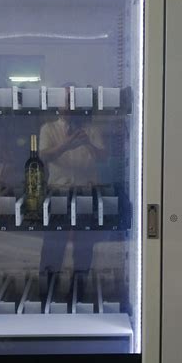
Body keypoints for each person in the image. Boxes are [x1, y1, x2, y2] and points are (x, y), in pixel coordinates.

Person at [38, 115, 106, 276]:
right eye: (66, 99)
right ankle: (47, 290)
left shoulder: (92, 130)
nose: (70, 104)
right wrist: (66, 145)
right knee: (53, 246)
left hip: (87, 192)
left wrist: (87, 143)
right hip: (57, 192)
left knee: (84, 246)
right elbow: (44, 157)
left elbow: (103, 157)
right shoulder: (48, 128)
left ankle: (79, 291)